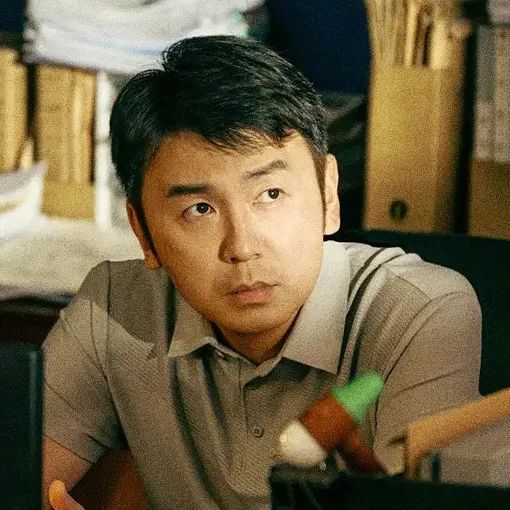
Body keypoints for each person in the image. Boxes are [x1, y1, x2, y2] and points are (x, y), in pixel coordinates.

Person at [42, 35, 481, 510]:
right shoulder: (112, 306)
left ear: (328, 194)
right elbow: (17, 477)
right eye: (200, 209)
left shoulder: (420, 314)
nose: (242, 248)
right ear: (143, 232)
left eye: (270, 194)